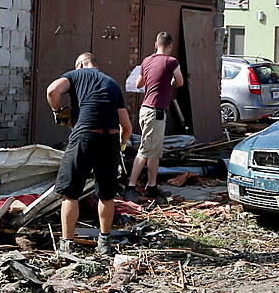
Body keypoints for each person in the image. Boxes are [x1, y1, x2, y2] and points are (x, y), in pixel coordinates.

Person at [46, 53, 133, 257]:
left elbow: (52, 91)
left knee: (70, 194)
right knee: (106, 195)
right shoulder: (112, 83)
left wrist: (58, 112)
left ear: (80, 65)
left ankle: (67, 245)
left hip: (84, 137)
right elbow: (127, 127)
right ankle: (104, 244)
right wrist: (120, 146)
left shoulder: (75, 75)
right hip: (110, 141)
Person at [126, 32, 185, 197]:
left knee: (155, 151)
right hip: (155, 112)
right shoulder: (170, 61)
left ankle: (152, 186)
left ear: (155, 45)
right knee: (145, 150)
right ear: (170, 46)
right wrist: (170, 81)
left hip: (145, 109)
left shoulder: (147, 61)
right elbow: (180, 82)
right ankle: (130, 187)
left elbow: (139, 84)